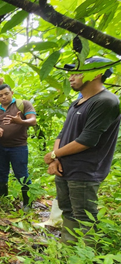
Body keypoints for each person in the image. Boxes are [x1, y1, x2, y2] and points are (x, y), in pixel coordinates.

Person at [43, 57, 120, 243]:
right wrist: (55, 159)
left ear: (97, 73)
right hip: (64, 167)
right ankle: (68, 250)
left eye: (78, 72)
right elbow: (62, 133)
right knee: (68, 210)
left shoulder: (105, 101)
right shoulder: (78, 102)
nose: (71, 77)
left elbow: (87, 140)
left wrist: (54, 154)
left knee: (84, 216)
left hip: (85, 170)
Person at [0, 84, 37, 210]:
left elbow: (33, 120)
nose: (4, 97)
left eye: (6, 94)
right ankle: (3, 200)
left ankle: (27, 203)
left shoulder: (23, 104)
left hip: (18, 147)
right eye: (0, 95)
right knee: (1, 173)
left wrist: (20, 122)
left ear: (12, 93)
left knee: (22, 174)